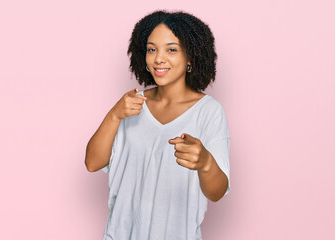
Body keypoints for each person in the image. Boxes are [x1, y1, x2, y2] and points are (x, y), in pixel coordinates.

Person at [85, 9, 231, 240]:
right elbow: (93, 163)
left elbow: (217, 192)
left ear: (191, 56)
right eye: (152, 49)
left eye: (171, 49)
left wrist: (205, 162)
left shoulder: (209, 111)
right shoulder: (131, 104)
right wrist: (114, 116)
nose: (158, 58)